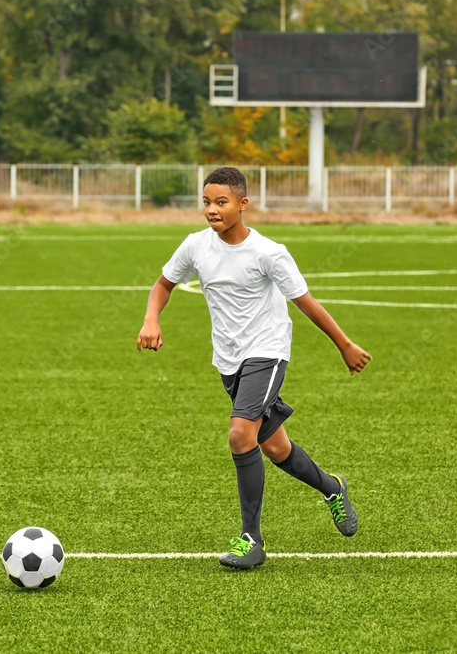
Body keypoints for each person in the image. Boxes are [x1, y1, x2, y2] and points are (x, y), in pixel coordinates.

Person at [136, 166, 372, 570]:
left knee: (239, 435)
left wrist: (345, 345)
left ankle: (252, 540)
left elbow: (306, 303)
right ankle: (333, 488)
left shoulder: (268, 252)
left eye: (221, 202)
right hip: (228, 359)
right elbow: (163, 285)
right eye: (207, 202)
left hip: (267, 351)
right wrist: (151, 319)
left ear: (243, 205)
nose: (212, 209)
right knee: (274, 447)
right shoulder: (195, 246)